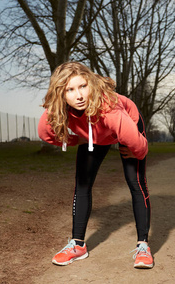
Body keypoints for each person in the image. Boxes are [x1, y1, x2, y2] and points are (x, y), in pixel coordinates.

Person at [38, 62, 153, 269]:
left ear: (91, 83)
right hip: (93, 136)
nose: (79, 95)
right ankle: (78, 245)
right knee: (82, 184)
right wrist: (76, 140)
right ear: (61, 94)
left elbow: (141, 146)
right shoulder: (57, 110)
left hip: (124, 127)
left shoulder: (111, 109)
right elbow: (45, 134)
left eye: (83, 86)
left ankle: (143, 246)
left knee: (134, 181)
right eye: (70, 90)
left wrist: (134, 150)